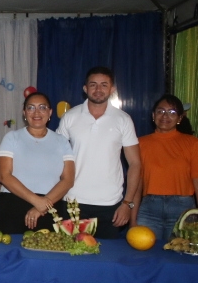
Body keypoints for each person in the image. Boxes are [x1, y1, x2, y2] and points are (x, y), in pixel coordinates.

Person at [56, 67, 141, 239]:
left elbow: (135, 164)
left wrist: (127, 203)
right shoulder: (70, 117)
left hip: (111, 204)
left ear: (112, 89)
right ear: (85, 88)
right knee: (73, 254)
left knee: (108, 255)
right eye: (93, 84)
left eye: (104, 85)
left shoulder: (123, 119)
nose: (98, 89)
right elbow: (56, 158)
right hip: (73, 201)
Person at [134, 95, 198, 240]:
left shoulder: (193, 144)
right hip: (149, 209)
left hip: (182, 209)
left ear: (180, 118)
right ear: (153, 115)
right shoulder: (140, 143)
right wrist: (132, 219)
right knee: (145, 251)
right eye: (160, 111)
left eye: (172, 112)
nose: (165, 116)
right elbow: (137, 185)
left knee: (181, 251)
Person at [0, 92, 74, 233]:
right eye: (31, 107)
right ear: (24, 112)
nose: (36, 112)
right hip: (13, 206)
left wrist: (43, 205)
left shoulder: (62, 141)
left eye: (42, 107)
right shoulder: (12, 138)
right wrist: (37, 201)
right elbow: (4, 176)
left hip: (51, 208)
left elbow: (68, 180)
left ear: (50, 112)